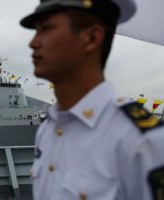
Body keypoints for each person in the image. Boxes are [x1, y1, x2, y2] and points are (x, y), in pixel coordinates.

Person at [20, 0, 164, 199]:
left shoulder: (142, 141)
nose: (33, 42)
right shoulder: (47, 130)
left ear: (91, 37)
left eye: (45, 28)